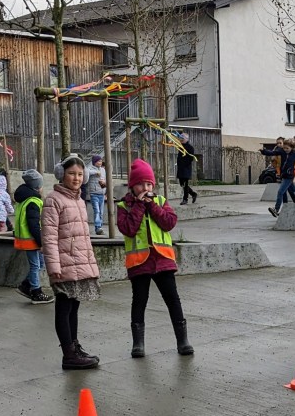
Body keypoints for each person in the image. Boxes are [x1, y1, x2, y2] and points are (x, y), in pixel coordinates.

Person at [117, 158, 194, 358]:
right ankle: (138, 343)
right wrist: (139, 206)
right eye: (141, 184)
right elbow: (128, 229)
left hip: (162, 260)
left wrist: (151, 207)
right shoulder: (124, 206)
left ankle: (183, 341)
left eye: (149, 184)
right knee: (139, 301)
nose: (146, 188)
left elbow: (169, 222)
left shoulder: (160, 201)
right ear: (132, 186)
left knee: (173, 300)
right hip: (139, 262)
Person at [41, 156, 101, 370]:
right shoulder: (53, 200)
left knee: (74, 307)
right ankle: (68, 354)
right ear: (61, 174)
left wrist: (90, 262)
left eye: (79, 174)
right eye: (71, 173)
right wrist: (54, 265)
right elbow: (49, 237)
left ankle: (74, 348)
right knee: (64, 307)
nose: (76, 178)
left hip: (78, 263)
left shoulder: (79, 200)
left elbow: (83, 237)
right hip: (63, 264)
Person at [13, 169, 54, 304]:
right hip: (31, 239)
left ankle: (26, 285)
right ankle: (36, 292)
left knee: (40, 263)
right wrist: (41, 242)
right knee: (35, 265)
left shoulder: (23, 199)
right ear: (37, 187)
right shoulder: (33, 201)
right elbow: (34, 224)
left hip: (26, 238)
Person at [261, 138, 295, 217]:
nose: (285, 150)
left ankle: (276, 209)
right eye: (284, 148)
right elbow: (273, 152)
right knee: (293, 189)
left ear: (291, 147)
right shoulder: (282, 151)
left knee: (280, 192)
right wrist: (264, 151)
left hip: (289, 176)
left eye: (287, 148)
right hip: (284, 175)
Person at [86, 154, 108, 233]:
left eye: (101, 161)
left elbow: (105, 179)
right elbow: (87, 172)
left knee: (101, 212)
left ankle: (100, 227)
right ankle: (98, 227)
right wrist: (96, 172)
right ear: (94, 162)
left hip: (101, 193)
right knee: (97, 211)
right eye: (98, 161)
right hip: (94, 193)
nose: (100, 162)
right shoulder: (90, 168)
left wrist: (104, 184)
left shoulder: (103, 170)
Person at [176, 135, 197, 206]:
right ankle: (193, 194)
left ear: (186, 139)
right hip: (180, 168)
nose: (181, 139)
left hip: (186, 168)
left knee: (185, 184)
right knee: (182, 184)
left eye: (182, 138)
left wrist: (184, 164)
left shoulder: (190, 147)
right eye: (180, 138)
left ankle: (185, 199)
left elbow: (191, 158)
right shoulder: (180, 146)